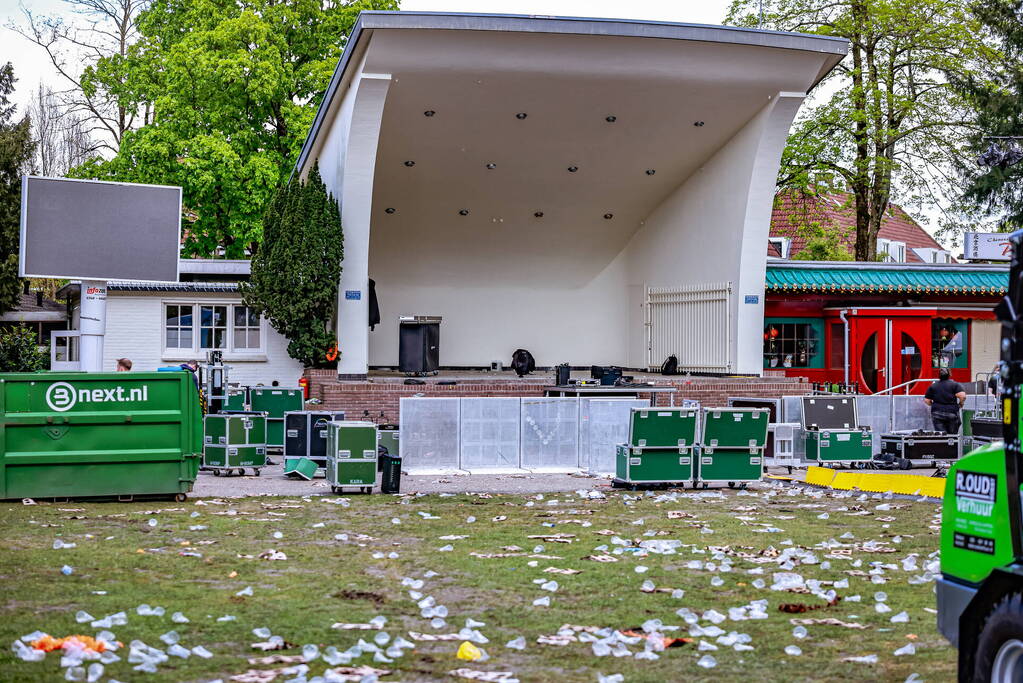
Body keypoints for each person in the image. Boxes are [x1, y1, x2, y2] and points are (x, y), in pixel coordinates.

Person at [924, 368, 967, 434]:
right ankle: (952, 443)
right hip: (951, 413)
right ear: (949, 374)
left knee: (941, 436)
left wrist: (934, 405)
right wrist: (961, 404)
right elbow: (962, 396)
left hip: (937, 413)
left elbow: (927, 400)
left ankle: (943, 443)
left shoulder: (933, 386)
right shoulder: (954, 385)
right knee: (952, 436)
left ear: (939, 375)